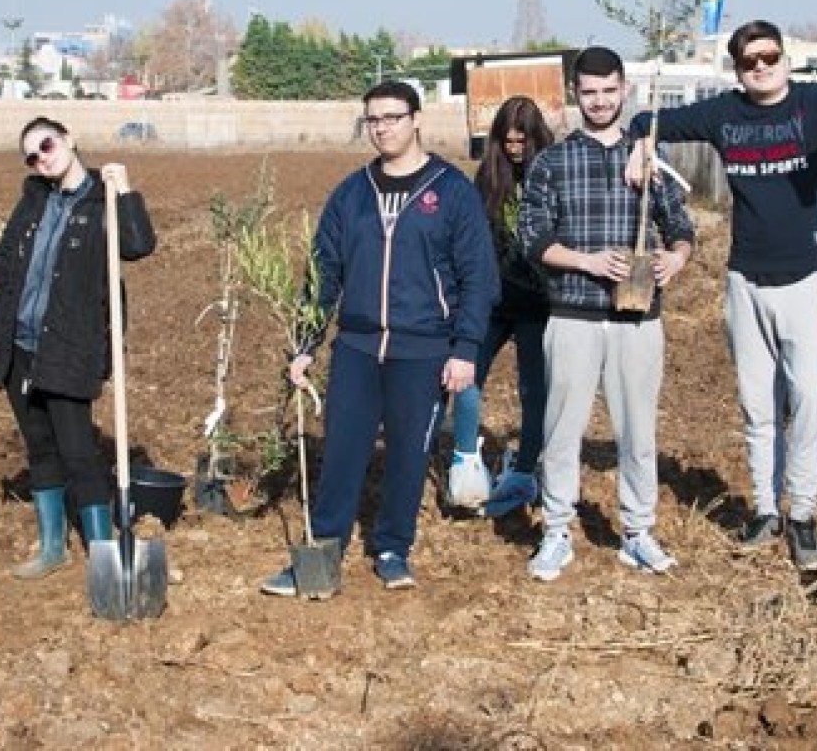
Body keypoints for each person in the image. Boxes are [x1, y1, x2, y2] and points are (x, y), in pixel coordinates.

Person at [625, 20, 817, 572]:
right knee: (756, 406)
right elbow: (650, 120)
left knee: (809, 403)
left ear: (785, 59)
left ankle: (804, 516)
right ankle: (767, 510)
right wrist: (639, 146)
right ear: (738, 69)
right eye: (749, 62)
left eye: (769, 57)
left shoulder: (816, 104)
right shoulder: (726, 113)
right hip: (745, 280)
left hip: (807, 280)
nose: (761, 67)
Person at [262, 80, 499, 595]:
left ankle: (393, 547)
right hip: (358, 347)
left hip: (424, 347)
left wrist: (465, 350)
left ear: (416, 119)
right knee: (342, 450)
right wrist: (305, 343)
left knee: (408, 455)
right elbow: (324, 274)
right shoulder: (351, 194)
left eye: (392, 117)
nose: (382, 128)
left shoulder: (450, 190)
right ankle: (322, 550)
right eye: (373, 120)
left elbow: (478, 275)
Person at [520, 46, 695, 582]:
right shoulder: (552, 162)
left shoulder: (648, 160)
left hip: (637, 319)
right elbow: (533, 239)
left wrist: (675, 259)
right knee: (562, 428)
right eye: (589, 91)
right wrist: (587, 261)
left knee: (638, 430)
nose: (599, 101)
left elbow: (681, 226)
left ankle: (637, 532)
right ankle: (556, 530)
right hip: (573, 314)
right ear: (577, 94)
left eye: (608, 90)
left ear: (625, 91)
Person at [0, 117, 156, 581]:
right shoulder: (33, 201)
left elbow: (138, 245)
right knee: (41, 449)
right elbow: (2, 269)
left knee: (79, 452)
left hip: (70, 347)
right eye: (31, 156)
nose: (41, 159)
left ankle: (103, 551)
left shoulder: (100, 198)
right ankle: (52, 547)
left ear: (69, 139)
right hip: (19, 346)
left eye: (46, 146)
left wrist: (125, 190)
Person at [443, 95, 555, 516]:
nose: (514, 149)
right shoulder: (487, 177)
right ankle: (466, 459)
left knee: (533, 389)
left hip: (537, 303)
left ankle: (526, 470)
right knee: (467, 374)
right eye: (507, 141)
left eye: (521, 141)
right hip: (491, 300)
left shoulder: (550, 172)